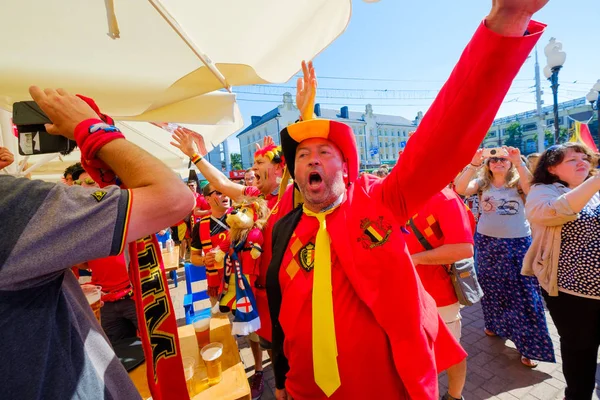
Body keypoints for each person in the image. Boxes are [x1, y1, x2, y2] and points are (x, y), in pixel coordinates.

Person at [266, 3, 548, 397]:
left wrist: (505, 25)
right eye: (302, 154)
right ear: (293, 173)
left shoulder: (378, 201)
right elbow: (281, 313)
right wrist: (279, 382)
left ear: (347, 168)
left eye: (326, 151)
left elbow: (442, 135)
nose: (312, 158)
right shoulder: (283, 228)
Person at [0, 87, 195, 399]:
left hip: (128, 299)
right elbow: (175, 198)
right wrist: (93, 129)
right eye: (84, 186)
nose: (88, 192)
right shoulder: (8, 207)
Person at [170, 59, 317, 400]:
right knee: (274, 355)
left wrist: (305, 115)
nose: (251, 171)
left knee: (294, 363)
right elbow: (221, 181)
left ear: (279, 169)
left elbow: (299, 161)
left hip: (289, 298)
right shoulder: (255, 196)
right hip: (260, 295)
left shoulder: (291, 194)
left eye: (258, 164)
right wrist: (195, 156)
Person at [454, 146, 554, 367]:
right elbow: (461, 188)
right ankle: (494, 325)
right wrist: (473, 163)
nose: (498, 162)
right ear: (488, 164)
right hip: (487, 243)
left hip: (517, 244)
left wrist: (519, 162)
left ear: (509, 163)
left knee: (524, 295)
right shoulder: (483, 183)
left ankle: (528, 348)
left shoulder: (519, 182)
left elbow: (532, 190)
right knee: (491, 289)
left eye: (503, 159)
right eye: (494, 159)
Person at [522, 143, 600, 400]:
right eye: (572, 159)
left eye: (584, 157)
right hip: (571, 292)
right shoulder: (542, 191)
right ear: (553, 168)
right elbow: (551, 213)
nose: (582, 162)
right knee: (580, 352)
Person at [405, 187, 475, 400]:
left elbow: (463, 249)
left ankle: (454, 396)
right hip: (404, 291)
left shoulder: (444, 198)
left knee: (450, 350)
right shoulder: (400, 195)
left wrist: (412, 260)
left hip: (438, 293)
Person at [190, 182, 231, 305]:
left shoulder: (240, 218)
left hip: (242, 281)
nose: (225, 195)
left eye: (226, 190)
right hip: (217, 287)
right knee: (220, 321)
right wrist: (204, 260)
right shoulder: (200, 226)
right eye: (218, 192)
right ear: (207, 199)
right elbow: (193, 257)